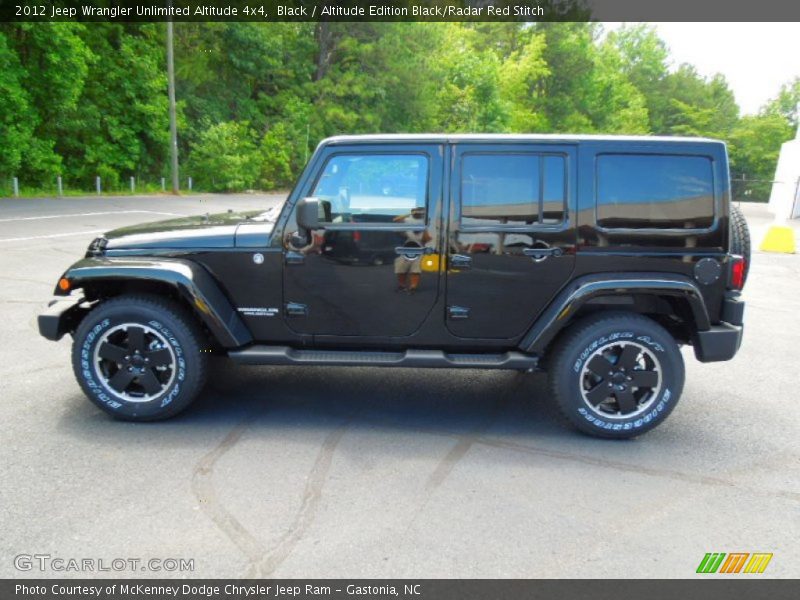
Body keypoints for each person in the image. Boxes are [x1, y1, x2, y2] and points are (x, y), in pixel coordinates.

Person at [392, 206, 430, 293]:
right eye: (417, 211)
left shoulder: (426, 221)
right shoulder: (407, 219)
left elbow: (428, 238)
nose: (419, 213)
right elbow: (395, 220)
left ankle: (413, 287)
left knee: (416, 270)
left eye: (421, 212)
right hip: (406, 245)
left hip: (420, 247)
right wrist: (409, 213)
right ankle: (402, 286)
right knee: (400, 268)